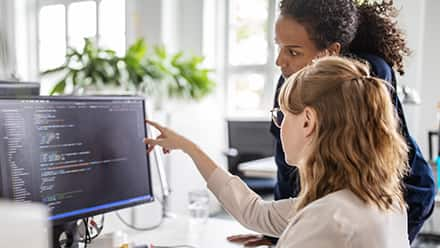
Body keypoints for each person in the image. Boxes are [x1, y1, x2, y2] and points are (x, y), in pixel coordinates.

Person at [227, 0, 435, 245]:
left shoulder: (365, 76)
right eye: (279, 47)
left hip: (405, 195)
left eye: (293, 52)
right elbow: (287, 170)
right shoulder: (288, 81)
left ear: (331, 51)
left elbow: (384, 163)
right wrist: (278, 235)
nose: (280, 61)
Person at [145, 56, 411, 247]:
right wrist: (190, 148)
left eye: (281, 115)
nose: (278, 127)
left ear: (308, 121)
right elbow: (256, 213)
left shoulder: (327, 218)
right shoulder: (382, 201)